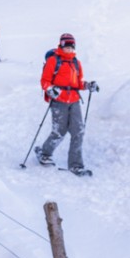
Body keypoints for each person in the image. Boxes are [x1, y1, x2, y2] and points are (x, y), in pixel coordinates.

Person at [36, 32, 98, 175]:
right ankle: (45, 153)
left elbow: (78, 83)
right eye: (66, 46)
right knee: (59, 132)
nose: (69, 49)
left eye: (71, 47)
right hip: (59, 101)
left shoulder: (76, 62)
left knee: (79, 132)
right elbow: (45, 81)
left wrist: (88, 85)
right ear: (61, 46)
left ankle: (76, 165)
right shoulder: (53, 61)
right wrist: (51, 90)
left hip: (74, 101)